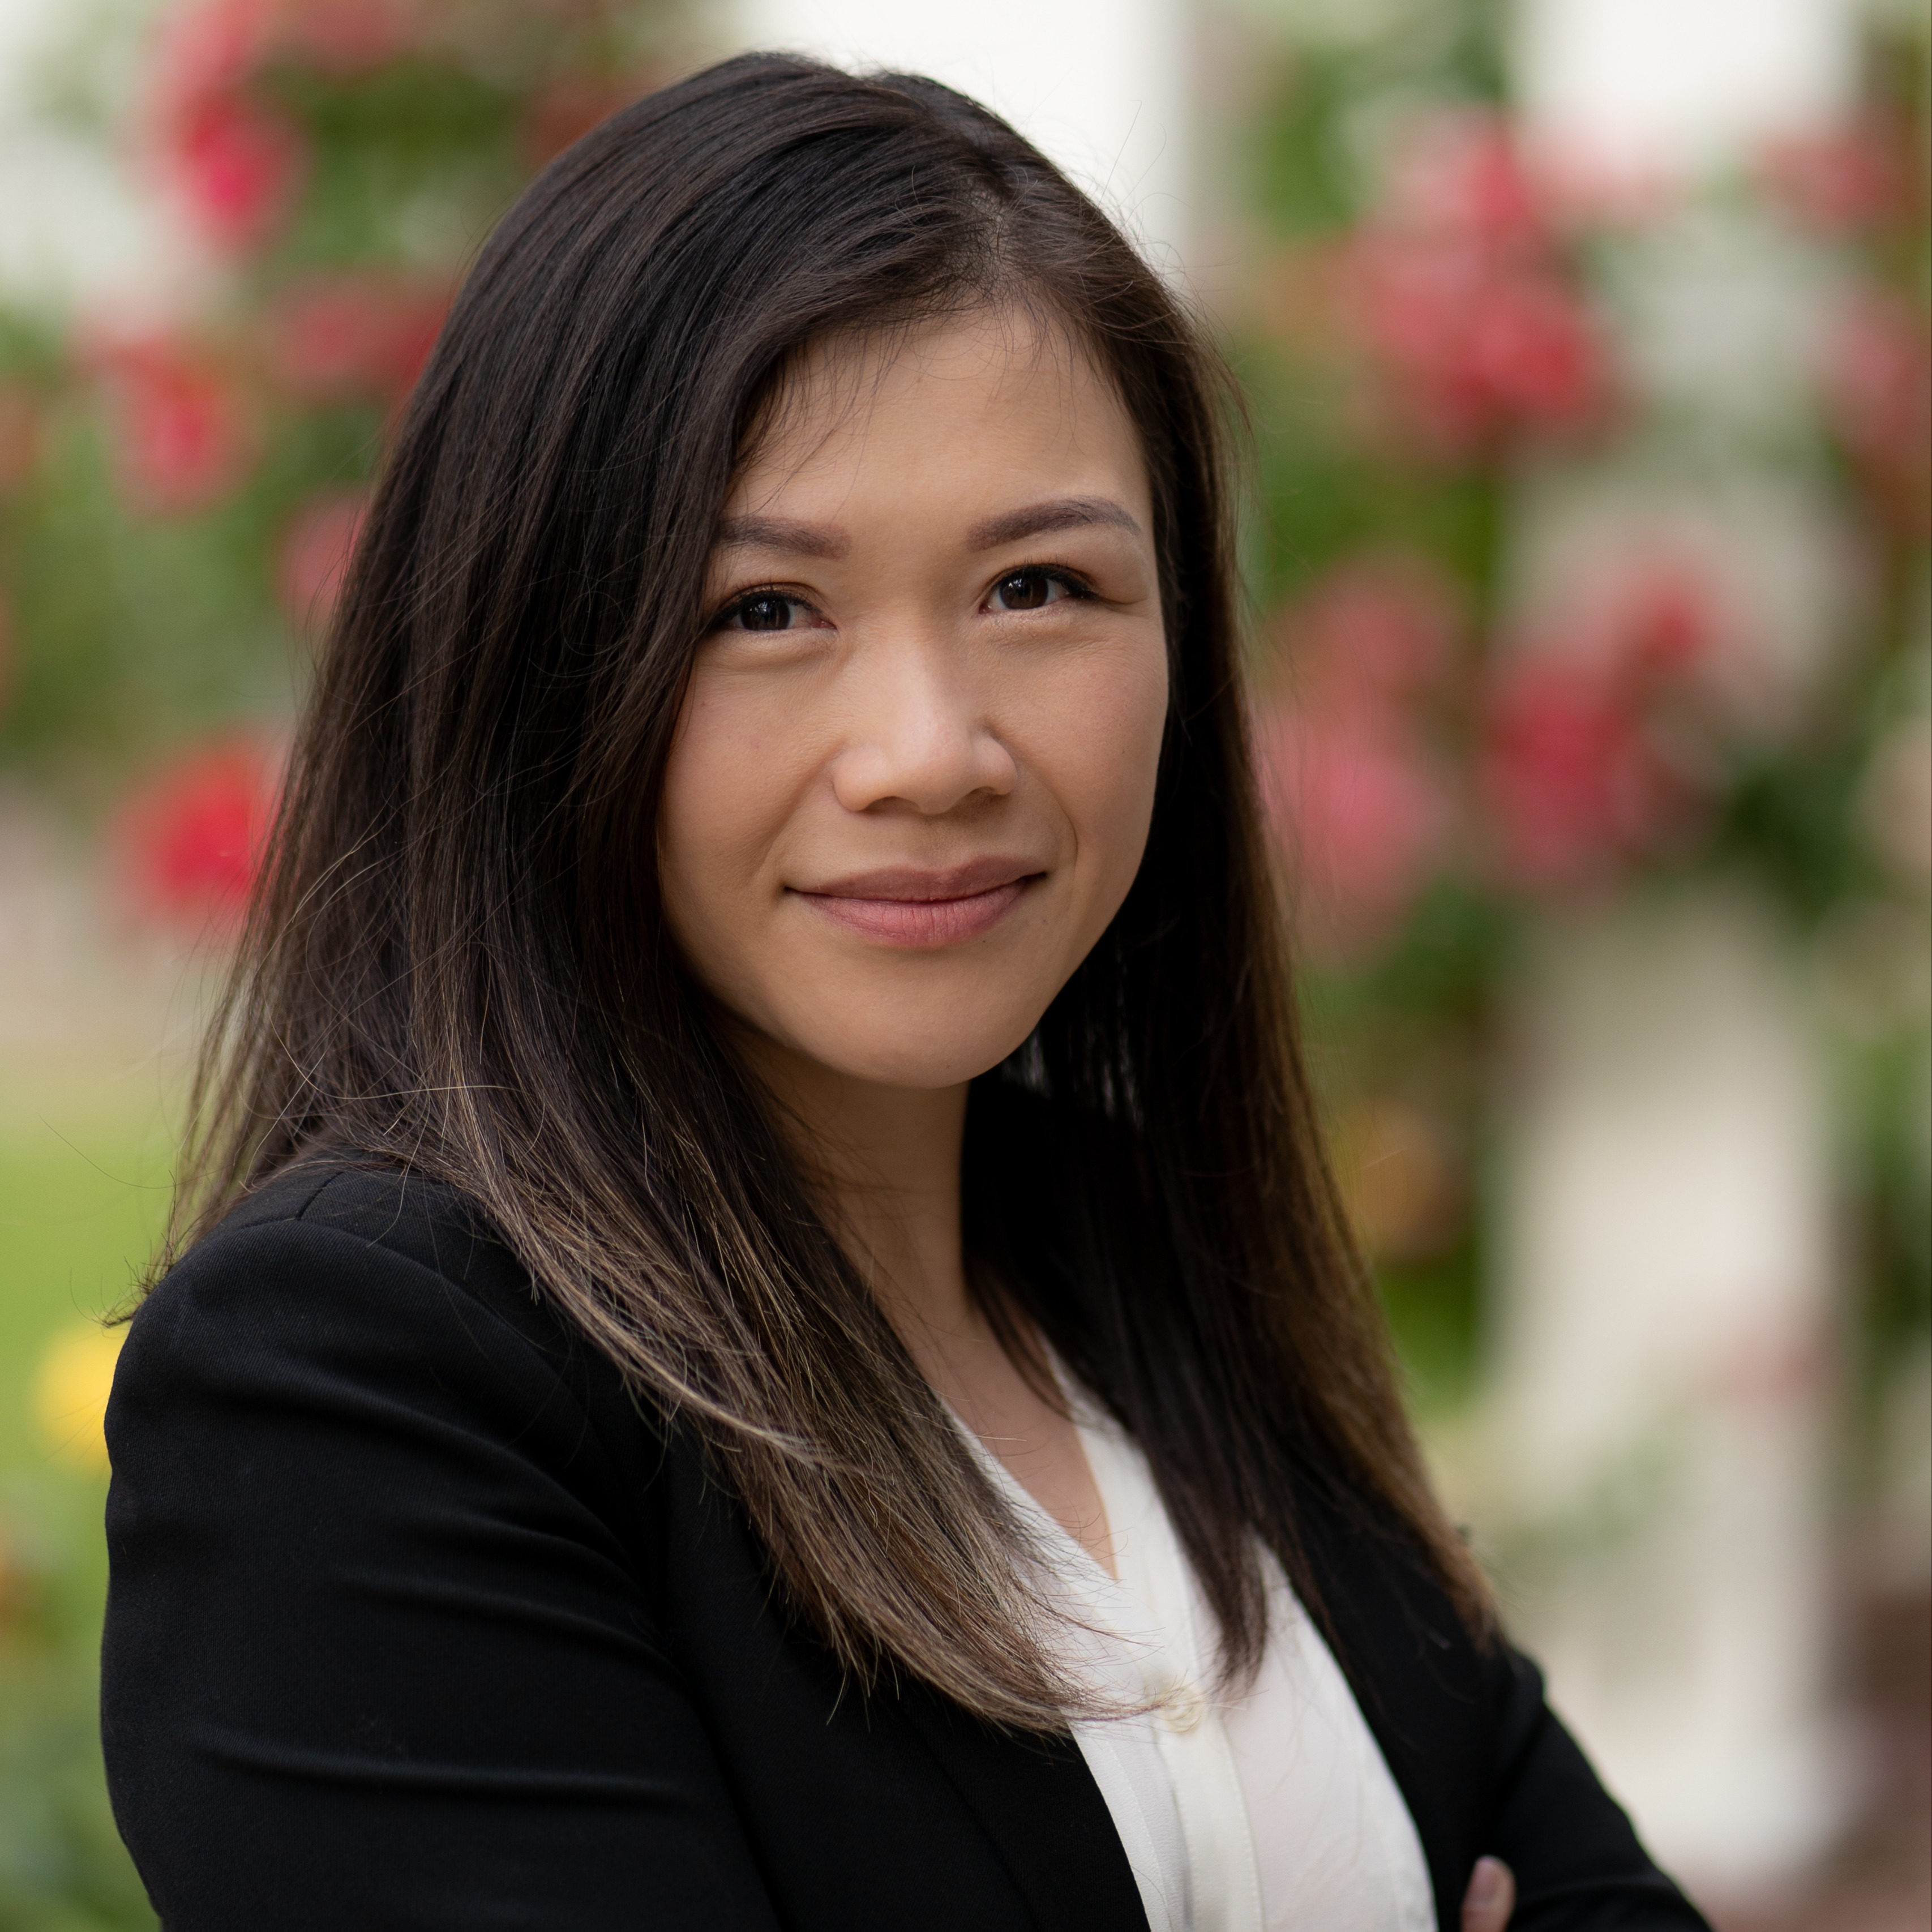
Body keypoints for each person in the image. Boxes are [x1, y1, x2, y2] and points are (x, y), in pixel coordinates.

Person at [101, 54, 1710, 1932]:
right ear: (533, 662)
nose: (932, 752)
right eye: (764, 610)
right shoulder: (368, 1382)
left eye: (1039, 588)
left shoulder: (1144, 1252)